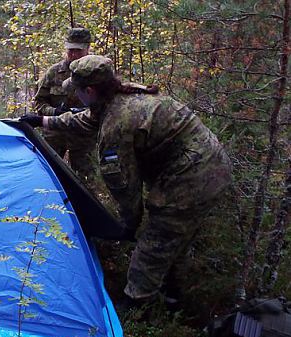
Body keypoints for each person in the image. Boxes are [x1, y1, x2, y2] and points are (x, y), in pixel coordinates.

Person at [21, 55, 232, 308]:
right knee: (175, 237)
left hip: (194, 177)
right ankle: (173, 292)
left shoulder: (117, 124)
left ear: (89, 91)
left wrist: (128, 226)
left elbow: (124, 187)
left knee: (154, 244)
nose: (76, 97)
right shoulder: (119, 96)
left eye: (77, 91)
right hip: (209, 163)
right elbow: (87, 119)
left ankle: (137, 304)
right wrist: (43, 120)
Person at [32, 27, 97, 181]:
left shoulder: (97, 72)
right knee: (47, 176)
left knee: (86, 179)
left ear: (88, 48)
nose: (73, 55)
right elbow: (39, 102)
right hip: (55, 134)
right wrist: (54, 112)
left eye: (78, 50)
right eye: (70, 50)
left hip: (84, 136)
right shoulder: (54, 72)